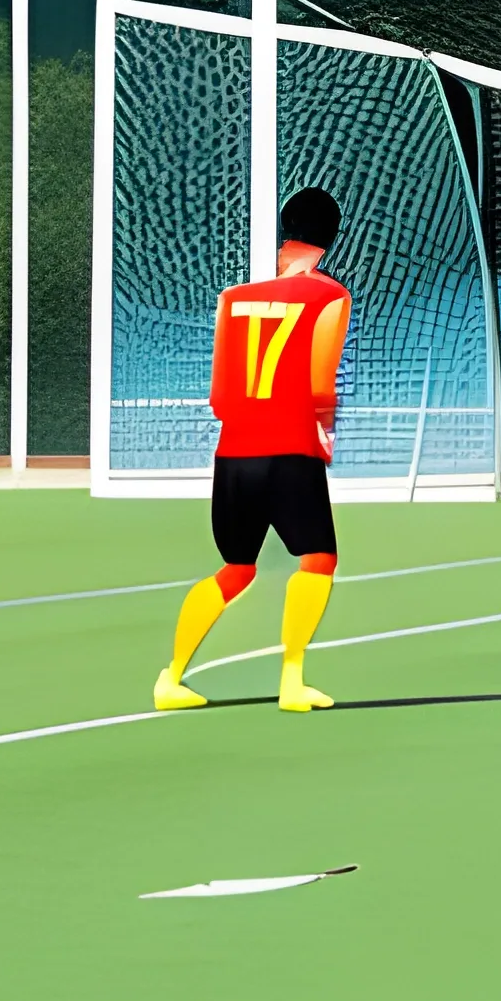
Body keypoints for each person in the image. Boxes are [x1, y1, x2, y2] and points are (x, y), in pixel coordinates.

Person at [155, 187, 354, 714]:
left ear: (284, 234)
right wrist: (325, 432)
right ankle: (293, 679)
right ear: (332, 239)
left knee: (236, 568)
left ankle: (170, 677)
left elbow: (220, 396)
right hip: (289, 449)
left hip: (233, 455)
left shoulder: (233, 299)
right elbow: (319, 384)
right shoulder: (330, 297)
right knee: (318, 558)